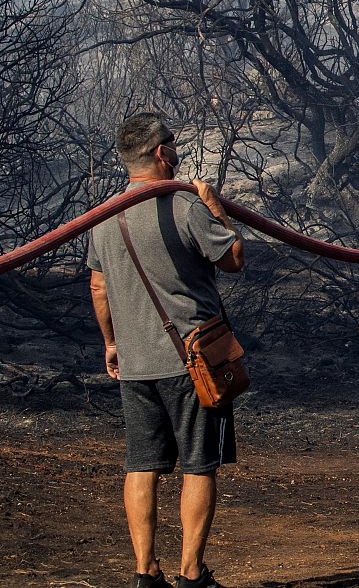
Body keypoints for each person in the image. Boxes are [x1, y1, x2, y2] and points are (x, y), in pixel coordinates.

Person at [87, 113, 245, 588]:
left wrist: (112, 344)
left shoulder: (102, 216)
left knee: (142, 464)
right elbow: (233, 259)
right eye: (173, 145)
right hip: (194, 363)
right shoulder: (185, 205)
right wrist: (214, 207)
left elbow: (98, 287)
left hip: (136, 363)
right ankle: (191, 573)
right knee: (199, 464)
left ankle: (145, 571)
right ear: (162, 153)